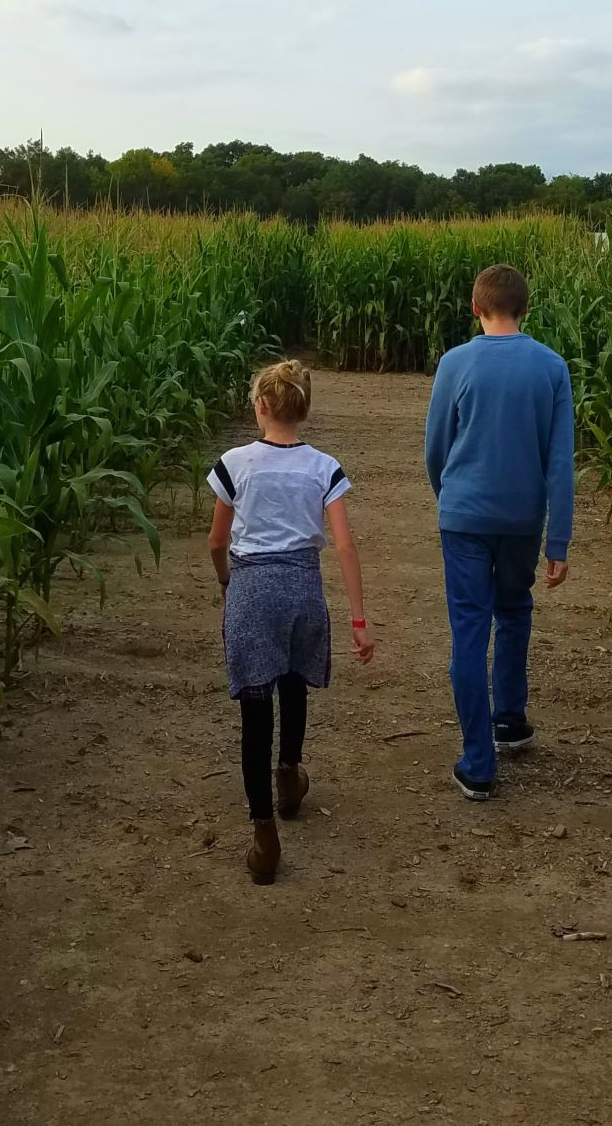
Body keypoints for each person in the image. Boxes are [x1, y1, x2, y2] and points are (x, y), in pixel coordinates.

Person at [208, 360, 372, 883]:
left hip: (251, 588)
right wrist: (359, 619)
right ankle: (289, 777)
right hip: (303, 588)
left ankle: (263, 834)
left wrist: (227, 581)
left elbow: (216, 541)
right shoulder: (324, 468)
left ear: (260, 406)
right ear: (304, 409)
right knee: (295, 683)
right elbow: (343, 543)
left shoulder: (235, 463)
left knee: (254, 717)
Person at [423, 264, 574, 800]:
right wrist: (559, 539)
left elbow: (436, 445)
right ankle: (508, 717)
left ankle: (478, 764)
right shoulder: (552, 367)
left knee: (469, 628)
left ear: (474, 306)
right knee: (513, 610)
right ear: (525, 308)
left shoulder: (455, 363)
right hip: (522, 520)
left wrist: (452, 496)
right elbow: (559, 462)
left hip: (463, 515)